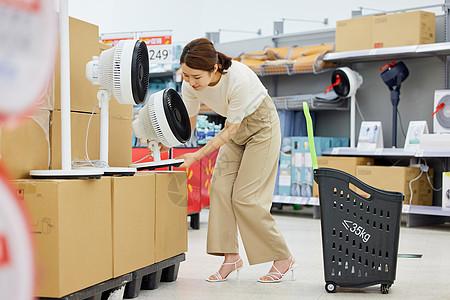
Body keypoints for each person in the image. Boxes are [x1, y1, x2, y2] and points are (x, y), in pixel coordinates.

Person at [175, 38, 296, 283]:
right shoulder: (190, 84)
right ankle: (231, 257)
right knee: (220, 188)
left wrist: (196, 156)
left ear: (214, 68)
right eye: (185, 76)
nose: (190, 82)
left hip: (261, 127)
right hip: (234, 129)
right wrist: (166, 139)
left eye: (196, 77)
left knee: (246, 197)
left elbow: (230, 130)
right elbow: (187, 122)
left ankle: (283, 257)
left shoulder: (238, 78)